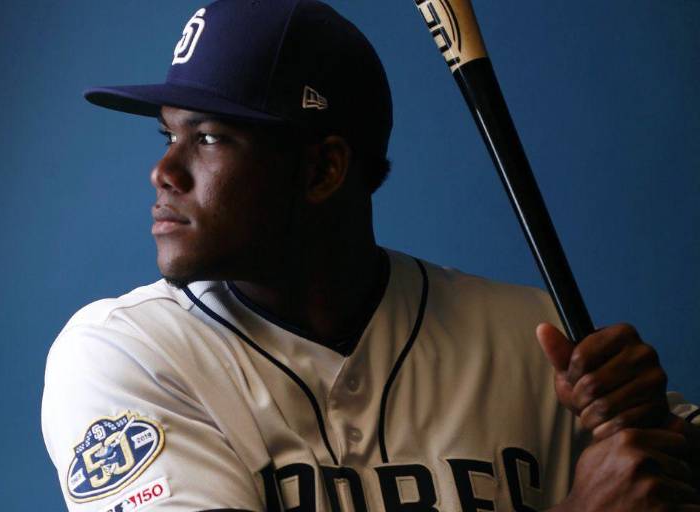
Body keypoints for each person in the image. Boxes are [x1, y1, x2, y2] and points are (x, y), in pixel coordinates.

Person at [41, 0, 700, 510]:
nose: (163, 172)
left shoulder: (534, 340)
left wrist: (651, 430)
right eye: (167, 136)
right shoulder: (124, 354)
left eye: (208, 137)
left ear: (324, 170)